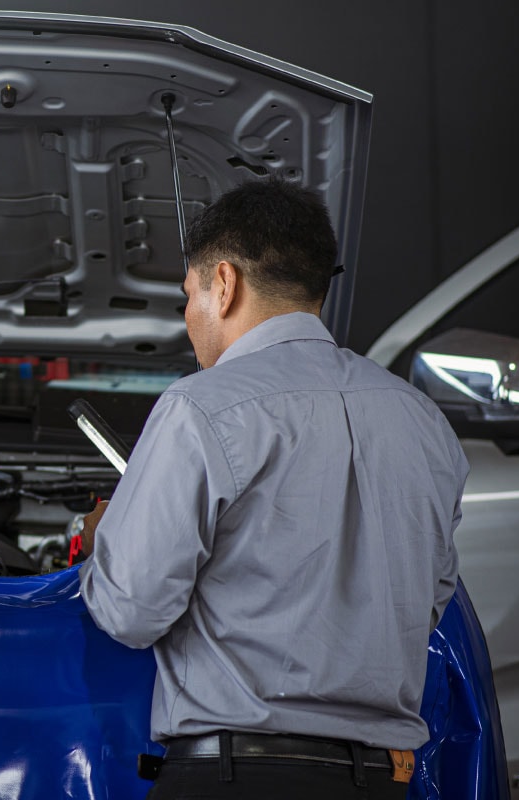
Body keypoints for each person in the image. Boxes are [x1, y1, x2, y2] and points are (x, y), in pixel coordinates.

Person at [75, 179, 466, 798]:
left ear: (223, 284)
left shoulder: (200, 408)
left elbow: (131, 611)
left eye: (188, 296)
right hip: (381, 782)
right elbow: (426, 602)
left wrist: (104, 544)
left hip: (236, 775)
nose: (187, 320)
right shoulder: (424, 422)